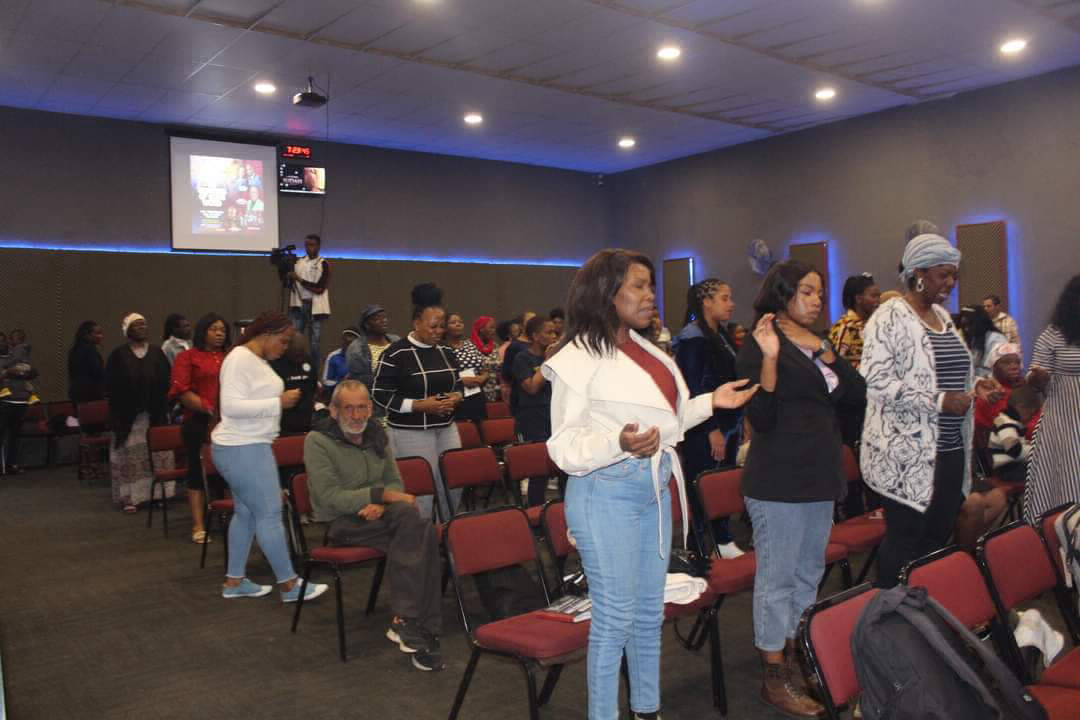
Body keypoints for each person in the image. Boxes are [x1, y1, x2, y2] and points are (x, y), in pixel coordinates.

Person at [543, 249, 758, 720]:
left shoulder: (649, 350)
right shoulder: (576, 359)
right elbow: (563, 447)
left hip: (653, 490)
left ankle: (646, 710)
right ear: (607, 293)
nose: (650, 295)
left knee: (647, 612)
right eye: (638, 286)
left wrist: (711, 402)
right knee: (614, 618)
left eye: (651, 286)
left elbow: (667, 423)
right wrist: (617, 442)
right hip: (605, 494)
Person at [736, 260, 867, 718]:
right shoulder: (760, 341)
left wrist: (825, 352)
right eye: (807, 291)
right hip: (779, 478)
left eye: (819, 292)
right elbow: (762, 417)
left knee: (809, 573)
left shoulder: (817, 340)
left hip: (818, 474)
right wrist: (772, 359)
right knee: (778, 579)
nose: (816, 300)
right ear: (783, 293)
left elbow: (857, 394)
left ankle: (796, 655)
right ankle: (774, 677)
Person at [860, 234, 996, 587]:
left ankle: (922, 606)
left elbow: (946, 374)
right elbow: (875, 381)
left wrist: (975, 387)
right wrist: (938, 401)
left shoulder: (942, 317)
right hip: (906, 453)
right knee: (905, 539)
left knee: (936, 536)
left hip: (949, 449)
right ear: (918, 273)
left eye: (953, 275)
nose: (950, 283)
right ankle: (890, 608)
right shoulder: (889, 317)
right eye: (943, 275)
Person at [304, 380, 444, 671]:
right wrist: (381, 496)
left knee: (415, 527)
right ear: (334, 410)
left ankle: (409, 620)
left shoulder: (377, 433)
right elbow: (328, 497)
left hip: (383, 515)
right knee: (420, 529)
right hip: (342, 522)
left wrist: (382, 502)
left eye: (362, 407)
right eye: (349, 408)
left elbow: (394, 481)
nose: (356, 416)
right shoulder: (317, 441)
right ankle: (416, 621)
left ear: (370, 408)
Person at [211, 311, 328, 603]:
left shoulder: (254, 359)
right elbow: (231, 407)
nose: (285, 348)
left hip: (247, 446)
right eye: (283, 341)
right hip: (243, 447)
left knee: (247, 514)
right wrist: (277, 402)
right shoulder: (240, 358)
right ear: (266, 334)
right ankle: (289, 585)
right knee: (270, 514)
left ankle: (234, 581)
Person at [372, 284, 463, 521]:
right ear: (416, 323)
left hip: (446, 427)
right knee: (423, 491)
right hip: (410, 431)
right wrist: (419, 405)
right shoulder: (396, 353)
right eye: (433, 326)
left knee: (455, 484)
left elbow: (459, 384)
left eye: (442, 326)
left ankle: (449, 531)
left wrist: (455, 397)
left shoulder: (446, 351)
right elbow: (380, 393)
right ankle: (422, 535)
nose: (439, 331)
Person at [673, 278, 744, 558]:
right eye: (724, 298)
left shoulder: (721, 334)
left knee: (723, 483)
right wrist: (710, 428)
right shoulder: (692, 337)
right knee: (704, 485)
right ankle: (702, 548)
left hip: (729, 422)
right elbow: (693, 387)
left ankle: (722, 539)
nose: (731, 304)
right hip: (705, 426)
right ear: (706, 302)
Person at [1024, 274, 1080, 521]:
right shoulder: (1053, 335)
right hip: (1064, 421)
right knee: (1067, 478)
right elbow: (1033, 376)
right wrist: (1038, 376)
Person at [169, 313, 229, 544]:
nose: (219, 333)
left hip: (229, 422)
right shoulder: (188, 357)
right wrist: (208, 408)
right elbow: (181, 391)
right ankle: (198, 525)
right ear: (203, 331)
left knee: (226, 472)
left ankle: (225, 516)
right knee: (197, 472)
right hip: (199, 421)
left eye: (222, 329)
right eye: (214, 329)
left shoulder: (230, 357)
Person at [106, 313, 172, 512]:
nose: (142, 328)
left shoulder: (157, 352)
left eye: (144, 324)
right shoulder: (118, 355)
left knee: (157, 455)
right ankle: (130, 498)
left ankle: (158, 495)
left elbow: (166, 379)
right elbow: (111, 385)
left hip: (155, 414)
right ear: (127, 330)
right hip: (129, 417)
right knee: (131, 456)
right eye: (137, 325)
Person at [512, 316, 558, 506]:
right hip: (532, 419)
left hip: (554, 416)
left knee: (562, 468)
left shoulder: (559, 358)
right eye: (549, 332)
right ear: (536, 336)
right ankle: (536, 513)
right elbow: (531, 387)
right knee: (539, 472)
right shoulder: (522, 358)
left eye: (555, 332)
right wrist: (547, 361)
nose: (554, 336)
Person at [287, 233, 331, 372]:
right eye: (306, 245)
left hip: (315, 307)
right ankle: (293, 369)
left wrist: (299, 279)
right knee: (294, 338)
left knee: (314, 343)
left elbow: (319, 288)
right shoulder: (299, 262)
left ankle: (314, 372)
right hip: (299, 304)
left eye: (311, 245)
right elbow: (290, 282)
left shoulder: (323, 263)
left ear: (318, 246)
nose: (308, 248)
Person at [0, 331, 39, 475]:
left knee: (15, 435)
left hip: (21, 400)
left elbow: (33, 372)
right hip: (4, 402)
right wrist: (9, 372)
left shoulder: (17, 355)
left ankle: (12, 464)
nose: (1, 344)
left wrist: (24, 371)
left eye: (3, 341)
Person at [988, 385, 1041, 486]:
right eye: (1031, 413)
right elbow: (1014, 450)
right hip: (1007, 469)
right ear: (1021, 407)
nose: (1031, 417)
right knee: (1039, 473)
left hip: (1012, 466)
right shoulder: (1006, 423)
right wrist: (1037, 451)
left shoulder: (1010, 422)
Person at [445, 312, 491, 423]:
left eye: (460, 322)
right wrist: (461, 381)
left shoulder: (470, 344)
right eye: (453, 322)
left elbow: (484, 368)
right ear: (444, 327)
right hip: (456, 397)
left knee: (481, 428)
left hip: (476, 395)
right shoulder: (442, 348)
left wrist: (483, 377)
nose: (458, 324)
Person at [973, 343, 1028, 436]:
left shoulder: (1025, 388)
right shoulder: (990, 394)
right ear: (994, 366)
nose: (1014, 367)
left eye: (1017, 362)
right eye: (1006, 363)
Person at [828, 273, 881, 370]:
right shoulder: (845, 326)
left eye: (879, 296)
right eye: (873, 296)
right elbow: (836, 365)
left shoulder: (875, 324)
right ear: (858, 299)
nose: (878, 301)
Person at [270, 332, 318, 435]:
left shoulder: (308, 361)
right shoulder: (275, 364)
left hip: (305, 422)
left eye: (301, 354)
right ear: (286, 349)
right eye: (296, 355)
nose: (299, 359)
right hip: (282, 425)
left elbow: (313, 386)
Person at [346, 304, 400, 395]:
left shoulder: (396, 341)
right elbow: (359, 379)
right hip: (372, 395)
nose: (384, 321)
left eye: (384, 317)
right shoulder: (356, 348)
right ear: (367, 325)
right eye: (377, 318)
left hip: (399, 393)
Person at [959, 304, 1007, 379]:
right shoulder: (975, 338)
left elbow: (1001, 370)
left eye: (969, 325)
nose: (966, 329)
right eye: (964, 326)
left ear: (979, 323)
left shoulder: (997, 339)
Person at [68, 321, 106, 404]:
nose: (101, 336)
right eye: (97, 333)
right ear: (87, 335)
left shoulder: (75, 350)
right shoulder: (89, 351)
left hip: (78, 394)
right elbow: (97, 372)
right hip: (90, 395)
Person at [469, 315, 500, 403]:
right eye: (491, 327)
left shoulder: (495, 346)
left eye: (494, 328)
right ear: (481, 329)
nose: (494, 331)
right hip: (476, 393)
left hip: (494, 391)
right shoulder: (469, 346)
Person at [321, 327, 360, 395]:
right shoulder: (333, 356)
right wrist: (342, 383)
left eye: (350, 342)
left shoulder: (364, 358)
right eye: (345, 341)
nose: (347, 344)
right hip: (338, 394)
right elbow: (326, 381)